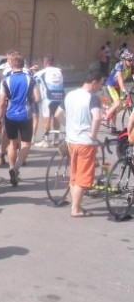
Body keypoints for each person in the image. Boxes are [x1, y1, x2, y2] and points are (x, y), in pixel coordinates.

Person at [54, 70, 103, 217]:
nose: (101, 87)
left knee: (74, 174)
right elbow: (98, 118)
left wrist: (68, 125)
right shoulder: (92, 98)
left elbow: (57, 114)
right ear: (94, 82)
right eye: (100, 84)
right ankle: (76, 208)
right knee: (83, 176)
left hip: (71, 140)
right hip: (85, 142)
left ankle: (74, 204)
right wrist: (93, 135)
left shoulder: (70, 94)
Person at [0, 53, 40, 187]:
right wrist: (30, 101)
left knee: (12, 143)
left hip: (10, 115)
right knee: (25, 145)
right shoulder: (31, 79)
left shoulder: (6, 80)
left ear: (11, 65)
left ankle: (11, 167)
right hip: (25, 115)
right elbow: (37, 98)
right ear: (23, 64)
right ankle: (17, 168)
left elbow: (2, 102)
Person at [33, 55, 65, 147]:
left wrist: (34, 71)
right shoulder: (60, 71)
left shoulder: (41, 73)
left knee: (46, 118)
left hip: (48, 98)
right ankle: (56, 139)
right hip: (59, 97)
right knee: (56, 117)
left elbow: (34, 80)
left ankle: (46, 140)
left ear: (45, 63)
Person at [104, 49, 133, 134]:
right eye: (129, 60)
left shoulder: (131, 66)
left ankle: (113, 127)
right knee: (117, 103)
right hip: (111, 86)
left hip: (118, 87)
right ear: (124, 60)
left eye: (132, 60)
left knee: (122, 105)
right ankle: (105, 118)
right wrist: (124, 89)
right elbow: (120, 79)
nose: (131, 62)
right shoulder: (119, 65)